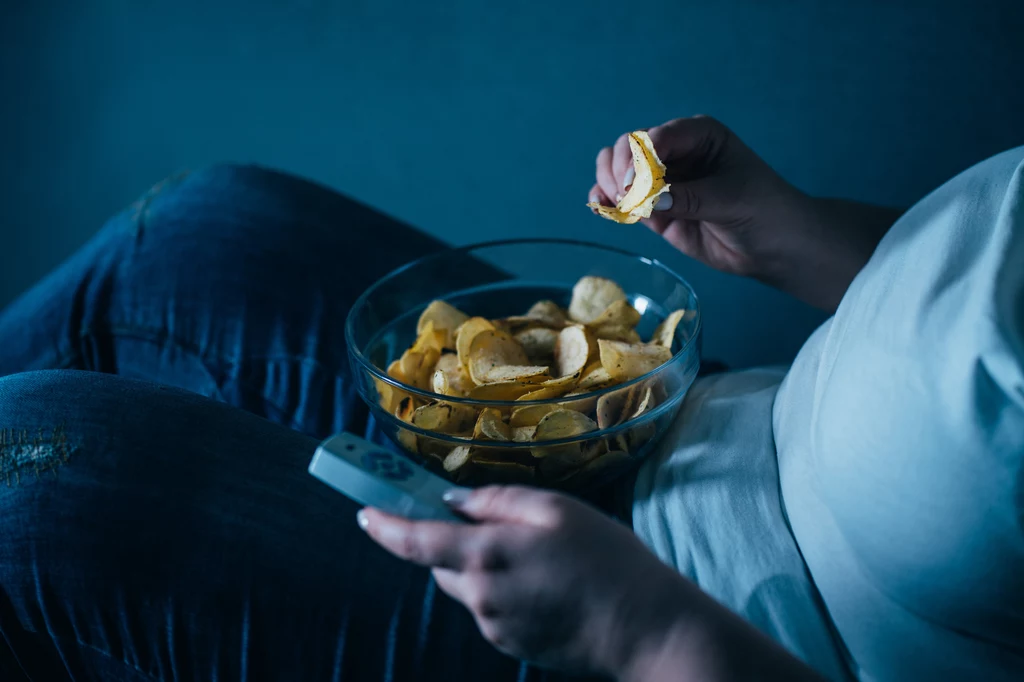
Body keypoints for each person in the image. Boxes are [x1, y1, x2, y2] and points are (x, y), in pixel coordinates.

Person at [0, 116, 1020, 682]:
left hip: (675, 628)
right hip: (682, 420)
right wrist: (800, 236)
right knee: (197, 234)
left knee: (29, 472)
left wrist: (647, 633)